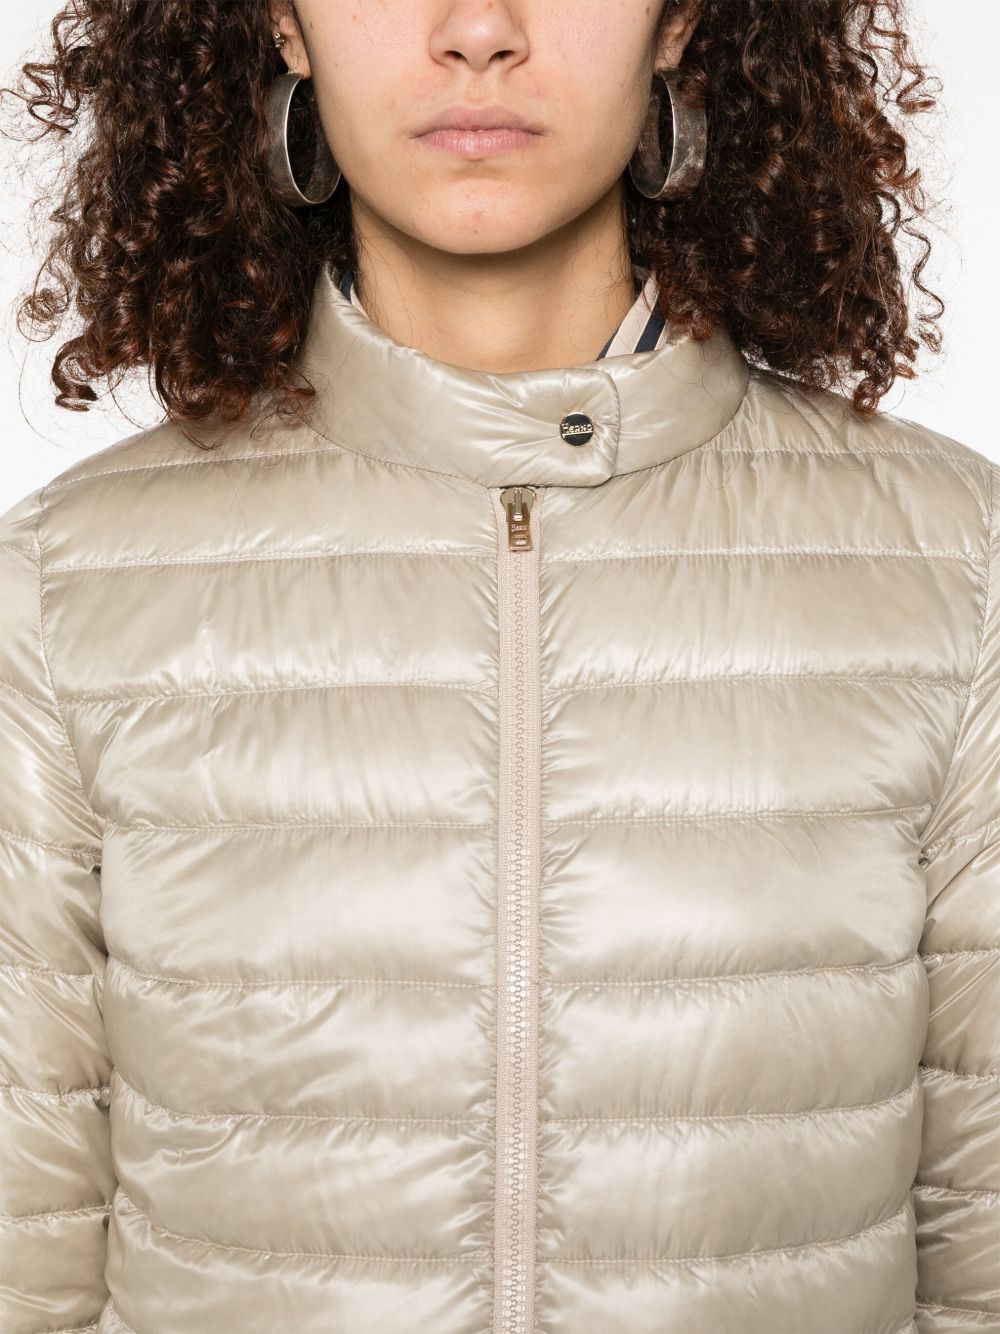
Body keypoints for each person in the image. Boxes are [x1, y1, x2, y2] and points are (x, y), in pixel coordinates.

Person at [0, 2, 996, 1331]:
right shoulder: (63, 590)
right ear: (285, 25)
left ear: (677, 22)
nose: (478, 29)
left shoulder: (958, 570)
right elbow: (25, 1258)